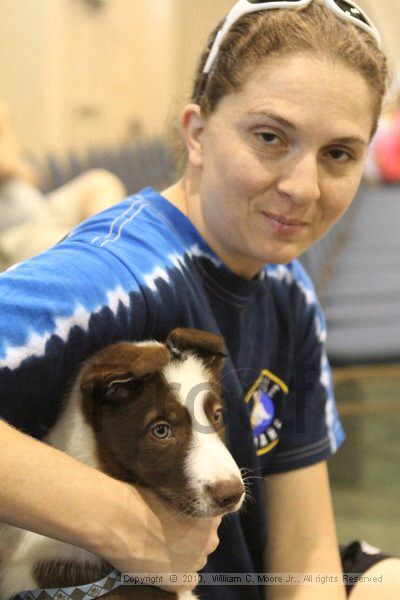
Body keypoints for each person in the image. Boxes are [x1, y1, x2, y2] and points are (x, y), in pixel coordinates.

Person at [0, 1, 398, 599]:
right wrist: (118, 520)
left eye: (338, 154)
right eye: (269, 137)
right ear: (198, 133)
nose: (303, 187)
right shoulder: (113, 273)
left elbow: (303, 546)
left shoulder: (288, 290)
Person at [0, 100, 126, 269]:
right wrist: (13, 165)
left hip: (43, 208)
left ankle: (109, 249)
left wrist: (14, 166)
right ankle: (106, 258)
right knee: (78, 250)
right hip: (16, 235)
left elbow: (27, 172)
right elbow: (7, 161)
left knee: (101, 181)